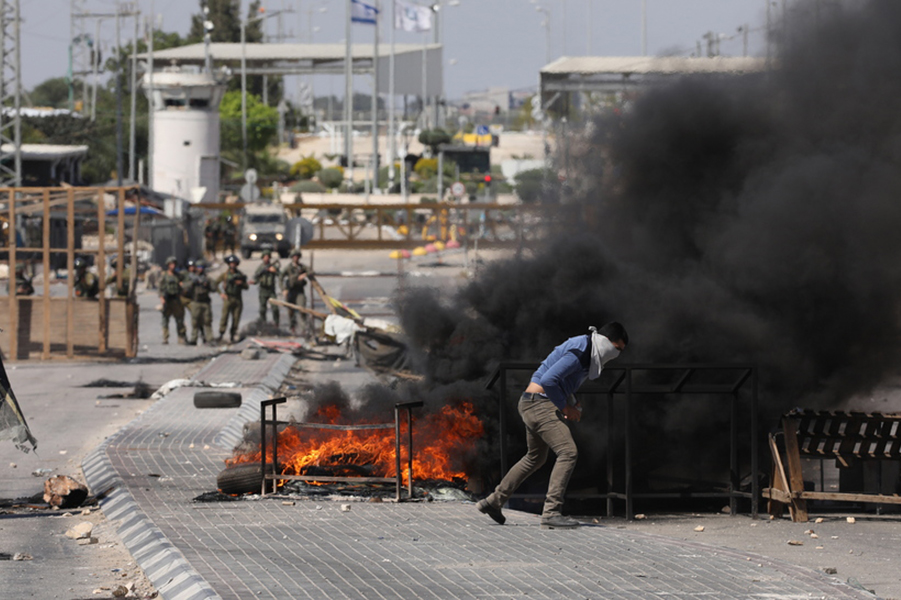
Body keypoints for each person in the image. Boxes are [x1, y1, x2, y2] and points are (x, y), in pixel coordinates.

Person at [477, 322, 629, 530]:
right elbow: (549, 380)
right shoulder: (581, 350)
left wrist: (572, 402)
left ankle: (493, 502)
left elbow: (560, 380)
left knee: (535, 458)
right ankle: (551, 512)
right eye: (617, 348)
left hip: (531, 402)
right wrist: (566, 408)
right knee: (568, 452)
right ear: (605, 341)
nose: (617, 354)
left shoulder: (584, 350)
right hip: (540, 403)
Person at [217, 254, 248, 343]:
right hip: (228, 298)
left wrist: (241, 283)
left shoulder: (240, 274)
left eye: (234, 263)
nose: (232, 265)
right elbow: (215, 284)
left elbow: (246, 287)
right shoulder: (225, 275)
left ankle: (233, 335)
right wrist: (221, 293)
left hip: (237, 299)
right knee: (224, 317)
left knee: (236, 319)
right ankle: (221, 334)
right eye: (231, 263)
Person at [158, 256, 187, 345]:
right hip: (167, 299)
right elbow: (160, 288)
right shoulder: (164, 275)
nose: (173, 266)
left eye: (174, 264)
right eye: (171, 264)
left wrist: (183, 286)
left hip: (176, 299)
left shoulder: (178, 275)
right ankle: (165, 338)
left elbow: (186, 282)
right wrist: (162, 298)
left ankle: (181, 337)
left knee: (179, 319)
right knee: (165, 320)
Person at [280, 249, 309, 335]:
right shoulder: (288, 268)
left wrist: (304, 275)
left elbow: (310, 271)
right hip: (291, 291)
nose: (296, 258)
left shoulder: (302, 267)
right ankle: (292, 327)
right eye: (294, 257)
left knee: (302, 308)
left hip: (299, 291)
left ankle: (304, 328)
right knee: (291, 310)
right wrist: (283, 289)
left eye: (297, 257)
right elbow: (280, 277)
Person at [186, 260, 215, 345]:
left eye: (201, 267)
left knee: (207, 321)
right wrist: (193, 283)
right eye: (198, 267)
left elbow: (213, 288)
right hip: (196, 302)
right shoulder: (192, 277)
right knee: (195, 321)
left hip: (205, 302)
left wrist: (207, 284)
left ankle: (210, 338)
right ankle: (193, 339)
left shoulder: (207, 278)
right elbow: (185, 287)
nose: (200, 269)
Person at [251, 250, 280, 328]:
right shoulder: (260, 268)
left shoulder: (273, 266)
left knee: (275, 308)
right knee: (262, 309)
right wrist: (253, 282)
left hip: (271, 291)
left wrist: (275, 271)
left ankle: (276, 323)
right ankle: (263, 323)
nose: (266, 258)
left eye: (268, 257)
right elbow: (256, 277)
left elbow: (280, 275)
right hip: (263, 290)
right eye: (265, 257)